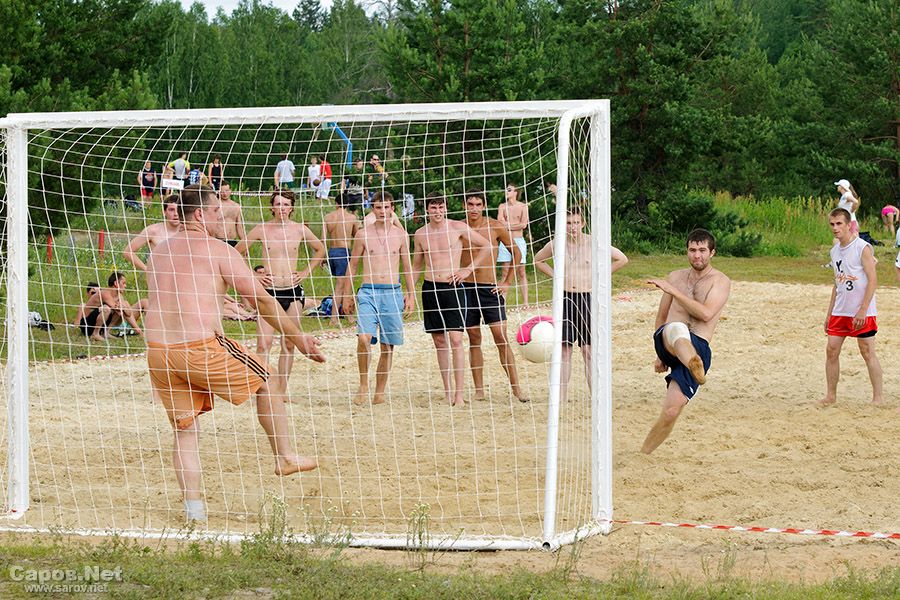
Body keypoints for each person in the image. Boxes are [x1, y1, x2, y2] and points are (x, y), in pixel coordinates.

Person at [144, 183, 324, 523]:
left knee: (185, 431)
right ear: (200, 215)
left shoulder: (159, 252)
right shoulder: (217, 250)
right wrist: (299, 338)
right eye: (217, 212)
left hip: (158, 352)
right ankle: (284, 456)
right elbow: (263, 301)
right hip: (198, 347)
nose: (222, 218)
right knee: (268, 378)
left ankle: (194, 513)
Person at [641, 229, 730, 454]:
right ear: (687, 251)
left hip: (698, 345)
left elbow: (706, 314)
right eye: (692, 250)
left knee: (672, 410)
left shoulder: (720, 281)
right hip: (668, 338)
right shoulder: (675, 277)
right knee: (676, 327)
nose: (697, 255)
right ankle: (691, 361)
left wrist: (674, 292)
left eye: (702, 250)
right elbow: (661, 317)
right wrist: (660, 354)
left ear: (712, 252)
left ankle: (644, 454)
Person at [534, 207, 628, 403]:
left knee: (588, 350)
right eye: (569, 223)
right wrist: (556, 276)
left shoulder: (594, 241)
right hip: (565, 298)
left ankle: (596, 396)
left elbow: (622, 259)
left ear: (583, 223)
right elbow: (538, 260)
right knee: (564, 350)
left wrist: (601, 275)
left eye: (576, 223)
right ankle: (561, 398)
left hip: (587, 298)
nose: (573, 227)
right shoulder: (557, 243)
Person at [236, 191, 326, 395]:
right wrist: (253, 275)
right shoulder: (262, 229)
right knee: (263, 344)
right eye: (278, 204)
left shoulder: (300, 229)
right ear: (272, 207)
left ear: (292, 207)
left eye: (286, 204)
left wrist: (305, 272)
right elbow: (236, 252)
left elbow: (320, 249)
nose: (282, 208)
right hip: (268, 293)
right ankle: (263, 390)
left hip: (292, 292)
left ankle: (281, 392)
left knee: (289, 342)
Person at [412, 193, 491, 407]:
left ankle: (459, 394)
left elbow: (487, 246)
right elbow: (416, 265)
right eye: (433, 207)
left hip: (453, 287)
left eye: (441, 207)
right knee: (439, 341)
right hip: (431, 288)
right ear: (427, 210)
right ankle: (447, 392)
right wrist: (409, 292)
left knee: (456, 339)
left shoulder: (457, 227)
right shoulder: (420, 234)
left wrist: (468, 269)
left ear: (446, 209)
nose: (437, 211)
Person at [345, 192, 416, 405]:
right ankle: (363, 384)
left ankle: (379, 391)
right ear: (372, 209)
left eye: (386, 207)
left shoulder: (401, 235)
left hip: (392, 292)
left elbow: (407, 267)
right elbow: (353, 265)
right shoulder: (362, 234)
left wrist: (411, 295)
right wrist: (347, 294)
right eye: (378, 207)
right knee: (363, 338)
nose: (383, 212)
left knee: (387, 346)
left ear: (392, 208)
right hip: (368, 291)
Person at [460, 189, 527, 403]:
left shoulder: (495, 226)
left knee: (501, 337)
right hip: (465, 289)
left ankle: (516, 389)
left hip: (490, 289)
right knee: (474, 338)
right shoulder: (458, 227)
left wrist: (506, 281)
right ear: (464, 206)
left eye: (478, 204)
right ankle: (479, 390)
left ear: (484, 206)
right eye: (470, 204)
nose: (474, 208)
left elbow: (516, 252)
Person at [821, 208, 883, 407]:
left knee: (867, 351)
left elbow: (872, 280)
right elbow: (837, 284)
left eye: (839, 223)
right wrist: (829, 314)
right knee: (831, 350)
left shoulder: (862, 248)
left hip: (862, 310)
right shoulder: (834, 251)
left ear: (849, 225)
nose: (835, 228)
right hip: (841, 310)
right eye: (832, 224)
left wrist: (863, 309)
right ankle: (831, 396)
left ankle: (878, 398)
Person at [323, 189, 361, 326]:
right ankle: (338, 317)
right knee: (343, 286)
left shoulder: (328, 217)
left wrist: (323, 256)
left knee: (341, 285)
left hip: (332, 252)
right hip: (343, 252)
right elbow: (358, 236)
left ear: (336, 203)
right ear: (348, 204)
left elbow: (323, 239)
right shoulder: (351, 218)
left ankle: (340, 315)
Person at [123, 197, 181, 272]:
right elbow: (128, 252)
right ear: (164, 212)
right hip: (160, 276)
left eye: (178, 210)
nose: (176, 214)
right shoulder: (153, 230)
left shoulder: (189, 231)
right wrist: (147, 270)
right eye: (171, 210)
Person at [497, 183, 530, 305]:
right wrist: (515, 225)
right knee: (505, 273)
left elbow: (524, 225)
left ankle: (526, 303)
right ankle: (502, 302)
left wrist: (508, 225)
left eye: (509, 190)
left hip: (519, 241)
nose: (506, 191)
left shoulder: (523, 206)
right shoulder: (502, 206)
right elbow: (500, 223)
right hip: (505, 242)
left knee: (521, 272)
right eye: (506, 189)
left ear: (516, 192)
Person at [218, 181, 246, 247]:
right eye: (222, 191)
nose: (225, 193)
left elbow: (239, 226)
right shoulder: (215, 205)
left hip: (232, 241)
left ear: (230, 191)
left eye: (227, 190)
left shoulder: (236, 206)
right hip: (219, 240)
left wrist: (244, 244)